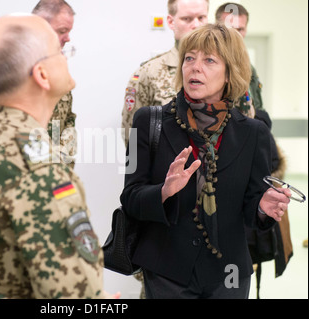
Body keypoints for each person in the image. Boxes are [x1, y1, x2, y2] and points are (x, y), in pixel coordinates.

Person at [121, 23, 291, 299]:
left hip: (229, 274)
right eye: (189, 58)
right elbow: (130, 198)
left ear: (229, 72)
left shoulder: (253, 132)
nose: (195, 67)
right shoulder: (148, 122)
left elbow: (252, 206)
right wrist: (164, 191)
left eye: (209, 60)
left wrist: (262, 206)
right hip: (167, 273)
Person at [0, 14, 106, 299]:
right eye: (59, 51)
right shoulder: (40, 170)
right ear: (42, 74)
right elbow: (73, 295)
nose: (66, 57)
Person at [216, 2, 293, 297]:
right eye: (229, 27)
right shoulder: (202, 64)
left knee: (245, 257)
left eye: (241, 29)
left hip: (246, 170)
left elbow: (254, 111)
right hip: (212, 173)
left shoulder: (249, 67)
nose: (236, 33)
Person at [121, 0, 209, 146]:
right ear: (171, 21)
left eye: (201, 18)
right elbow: (132, 135)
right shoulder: (148, 73)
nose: (196, 25)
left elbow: (243, 123)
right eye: (187, 19)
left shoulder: (224, 71)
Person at [33, 0, 77, 166]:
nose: (67, 38)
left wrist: (62, 158)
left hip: (58, 172)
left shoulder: (57, 66)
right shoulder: (13, 70)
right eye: (62, 31)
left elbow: (69, 120)